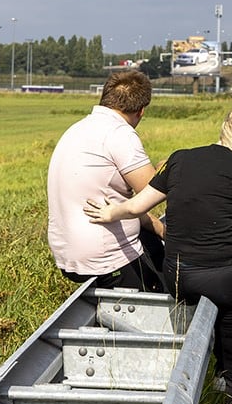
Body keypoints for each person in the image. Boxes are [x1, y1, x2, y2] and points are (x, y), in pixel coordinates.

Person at [83, 99, 232, 404]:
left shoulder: (179, 159)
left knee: (220, 305)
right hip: (223, 275)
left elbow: (136, 206)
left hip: (177, 274)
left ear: (227, 124)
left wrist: (110, 211)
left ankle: (214, 383)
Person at [47, 70, 166, 292]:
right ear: (140, 111)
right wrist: (170, 166)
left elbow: (117, 201)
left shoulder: (78, 128)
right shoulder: (120, 134)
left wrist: (159, 228)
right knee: (163, 285)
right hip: (104, 256)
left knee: (152, 242)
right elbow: (153, 190)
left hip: (67, 251)